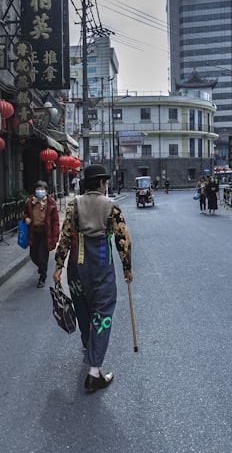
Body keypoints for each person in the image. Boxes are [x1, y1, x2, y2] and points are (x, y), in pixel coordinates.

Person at [53, 164, 133, 394]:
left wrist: (59, 264)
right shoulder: (111, 206)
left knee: (83, 306)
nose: (106, 186)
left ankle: (88, 342)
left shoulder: (73, 206)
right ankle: (94, 372)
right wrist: (127, 268)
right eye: (105, 182)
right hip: (100, 265)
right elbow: (122, 240)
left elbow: (65, 236)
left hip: (77, 267)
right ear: (100, 184)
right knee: (103, 311)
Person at [23, 180, 60, 287]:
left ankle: (42, 277)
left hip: (45, 233)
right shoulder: (30, 202)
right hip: (33, 233)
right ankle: (42, 268)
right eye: (38, 189)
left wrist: (55, 237)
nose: (40, 191)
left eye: (42, 189)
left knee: (42, 256)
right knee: (33, 255)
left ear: (46, 191)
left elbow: (55, 221)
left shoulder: (51, 203)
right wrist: (26, 219)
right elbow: (24, 214)